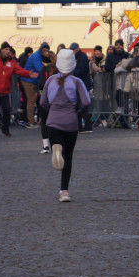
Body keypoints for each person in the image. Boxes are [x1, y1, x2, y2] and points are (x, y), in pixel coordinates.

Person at [39, 49, 91, 203]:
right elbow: (87, 102)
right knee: (68, 158)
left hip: (53, 121)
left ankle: (56, 147)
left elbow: (42, 103)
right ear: (73, 65)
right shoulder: (76, 81)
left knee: (58, 144)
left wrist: (52, 112)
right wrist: (79, 114)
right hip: (70, 121)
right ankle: (64, 191)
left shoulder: (50, 80)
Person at [0, 42, 32, 138]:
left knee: (7, 111)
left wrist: (29, 74)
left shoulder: (11, 62)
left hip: (4, 90)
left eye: (9, 50)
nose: (8, 51)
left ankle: (5, 130)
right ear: (2, 50)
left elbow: (19, 70)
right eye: (6, 49)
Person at [22, 42, 50, 129]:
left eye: (47, 50)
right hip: (28, 80)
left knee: (35, 100)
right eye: (44, 50)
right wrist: (49, 67)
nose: (46, 52)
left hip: (34, 81)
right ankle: (30, 122)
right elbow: (40, 68)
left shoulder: (39, 55)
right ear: (41, 49)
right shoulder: (36, 56)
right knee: (31, 101)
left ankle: (34, 120)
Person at [70, 43, 94, 132]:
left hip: (83, 84)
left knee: (82, 105)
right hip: (78, 83)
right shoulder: (75, 57)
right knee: (78, 105)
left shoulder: (82, 56)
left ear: (77, 49)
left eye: (73, 49)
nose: (72, 51)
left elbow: (81, 69)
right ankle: (79, 126)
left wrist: (71, 73)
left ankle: (87, 126)